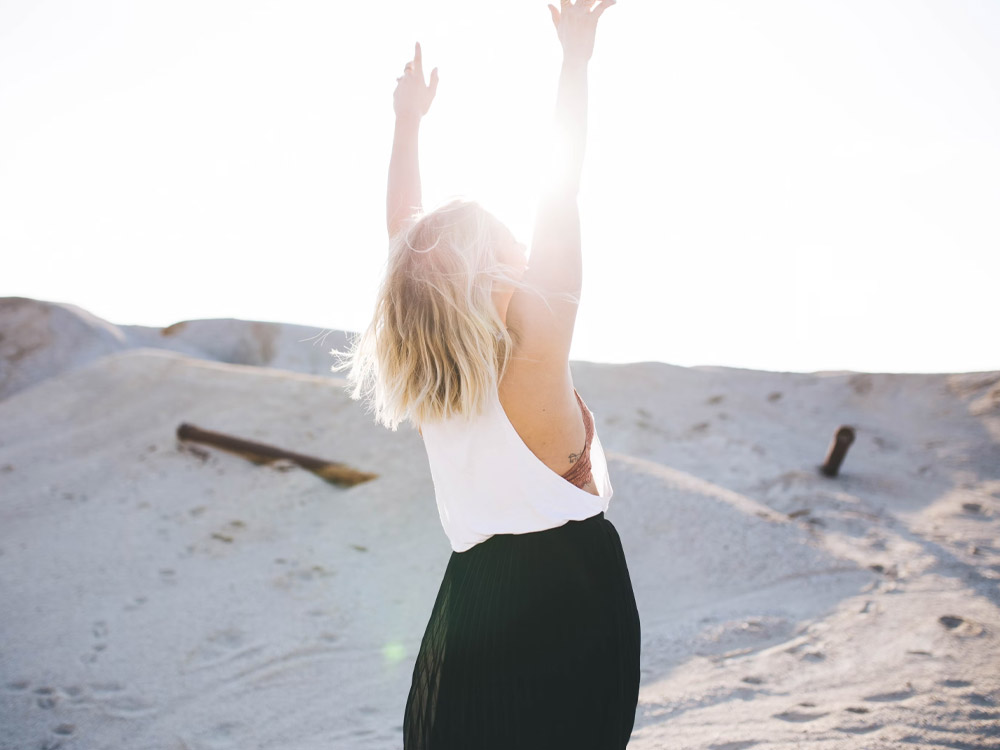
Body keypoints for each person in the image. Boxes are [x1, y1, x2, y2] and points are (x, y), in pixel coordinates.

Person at [336, 1, 639, 747]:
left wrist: (407, 122)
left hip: (472, 600)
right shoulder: (536, 338)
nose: (524, 255)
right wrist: (575, 61)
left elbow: (401, 232)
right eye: (509, 245)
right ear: (495, 267)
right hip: (571, 599)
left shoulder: (439, 381)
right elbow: (559, 192)